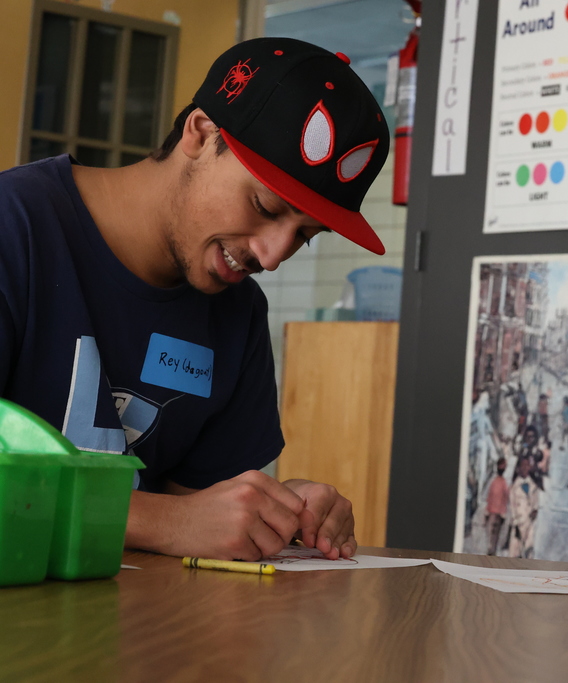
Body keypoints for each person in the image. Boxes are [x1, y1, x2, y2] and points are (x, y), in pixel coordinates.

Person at [0, 38, 391, 562]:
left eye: (305, 235)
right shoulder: (13, 228)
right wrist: (164, 519)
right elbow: (177, 523)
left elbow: (200, 521)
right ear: (201, 133)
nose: (273, 256)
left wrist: (277, 513)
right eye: (264, 206)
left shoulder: (238, 313)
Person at [508, 455, 540, 559]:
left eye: (527, 465)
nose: (525, 468)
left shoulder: (533, 485)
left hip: (530, 521)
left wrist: (535, 509)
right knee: (516, 551)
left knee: (529, 548)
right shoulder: (514, 487)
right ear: (518, 468)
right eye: (523, 466)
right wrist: (515, 523)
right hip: (519, 522)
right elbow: (511, 507)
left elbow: (536, 500)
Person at [485, 457, 510, 555]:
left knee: (494, 534)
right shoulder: (498, 482)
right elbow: (490, 497)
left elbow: (505, 499)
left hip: (497, 513)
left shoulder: (499, 482)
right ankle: (491, 550)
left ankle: (492, 551)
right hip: (494, 513)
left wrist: (503, 512)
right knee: (492, 534)